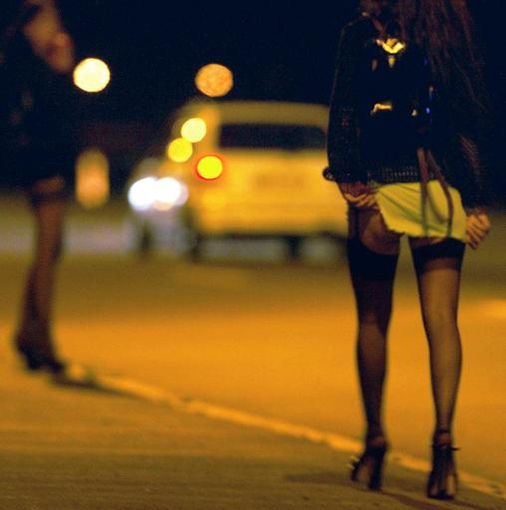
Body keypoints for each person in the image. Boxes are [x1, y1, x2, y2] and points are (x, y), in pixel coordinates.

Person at [324, 0, 491, 500]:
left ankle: (375, 441)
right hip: (436, 188)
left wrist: (348, 177)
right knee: (442, 320)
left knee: (373, 320)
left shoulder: (358, 34)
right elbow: (466, 118)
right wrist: (474, 200)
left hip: (379, 189)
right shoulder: (445, 31)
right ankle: (444, 446)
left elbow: (344, 111)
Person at [1, 0, 79, 379]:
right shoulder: (26, 65)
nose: (56, 26)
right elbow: (40, 119)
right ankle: (40, 338)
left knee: (52, 248)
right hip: (40, 166)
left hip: (47, 164)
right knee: (48, 251)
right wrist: (60, 72)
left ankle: (29, 332)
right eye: (50, 18)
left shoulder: (34, 62)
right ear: (31, 24)